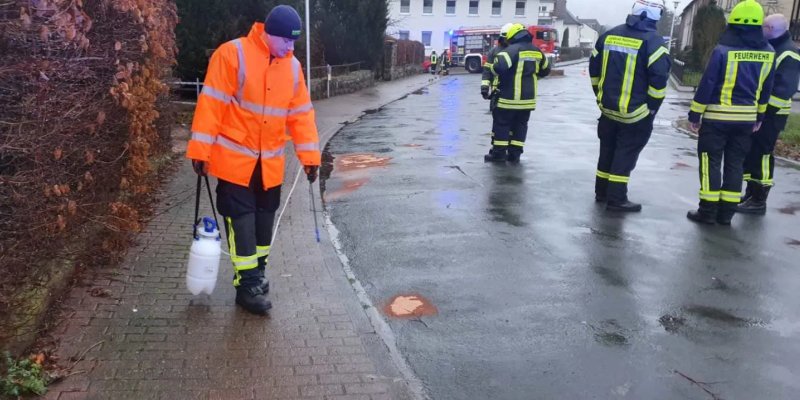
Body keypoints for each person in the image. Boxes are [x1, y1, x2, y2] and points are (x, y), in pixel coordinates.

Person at [186, 5, 321, 314]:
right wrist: (200, 151)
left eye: (294, 42)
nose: (290, 46)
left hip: (269, 165)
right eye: (286, 40)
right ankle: (246, 285)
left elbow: (301, 116)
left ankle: (256, 274)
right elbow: (211, 105)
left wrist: (310, 157)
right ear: (268, 34)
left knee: (263, 227)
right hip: (235, 163)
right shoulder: (232, 54)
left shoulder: (293, 68)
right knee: (242, 225)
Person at [687, 0, 774, 225]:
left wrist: (695, 115)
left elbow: (708, 84)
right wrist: (760, 117)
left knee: (710, 163)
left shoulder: (723, 50)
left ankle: (707, 212)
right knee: (735, 165)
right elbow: (766, 89)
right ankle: (726, 214)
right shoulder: (769, 53)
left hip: (717, 118)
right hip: (746, 121)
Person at [589, 0, 671, 212]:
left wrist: (600, 96)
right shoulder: (654, 43)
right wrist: (651, 108)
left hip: (607, 109)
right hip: (636, 114)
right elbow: (659, 81)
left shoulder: (608, 35)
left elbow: (594, 69)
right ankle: (617, 199)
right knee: (625, 155)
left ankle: (602, 192)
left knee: (607, 151)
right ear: (656, 18)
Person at [738, 14, 800, 215]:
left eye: (764, 26)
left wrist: (763, 112)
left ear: (772, 28)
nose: (761, 29)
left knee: (763, 155)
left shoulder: (789, 53)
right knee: (753, 153)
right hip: (762, 113)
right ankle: (751, 193)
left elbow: (783, 90)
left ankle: (758, 199)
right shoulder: (773, 48)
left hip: (772, 115)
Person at [484, 23, 551, 163]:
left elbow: (498, 68)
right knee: (521, 126)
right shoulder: (536, 51)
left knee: (502, 125)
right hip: (528, 100)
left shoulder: (511, 51)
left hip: (509, 98)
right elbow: (545, 70)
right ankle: (515, 154)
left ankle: (499, 154)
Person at [482, 23, 514, 112]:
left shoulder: (517, 51)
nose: (506, 41)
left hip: (513, 91)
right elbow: (487, 70)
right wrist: (484, 88)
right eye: (504, 38)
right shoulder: (494, 51)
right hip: (496, 91)